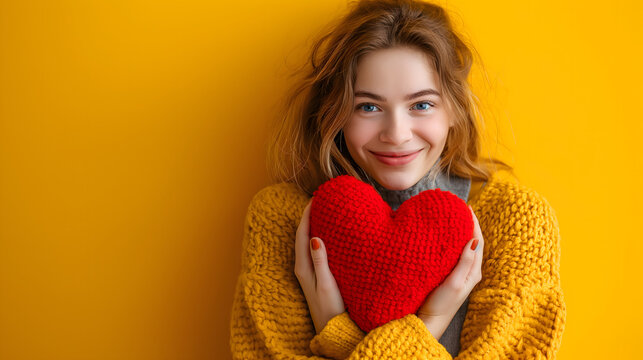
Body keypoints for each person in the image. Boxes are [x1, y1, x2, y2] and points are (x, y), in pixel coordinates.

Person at [229, 0, 566, 358]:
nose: (396, 134)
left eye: (421, 105)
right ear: (337, 113)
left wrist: (336, 332)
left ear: (454, 109)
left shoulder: (514, 220)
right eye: (368, 107)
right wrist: (429, 325)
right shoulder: (281, 218)